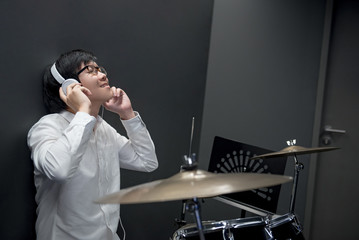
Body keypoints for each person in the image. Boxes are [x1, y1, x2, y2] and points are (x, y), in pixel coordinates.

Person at [27, 49, 158, 240]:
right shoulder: (47, 127)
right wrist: (83, 111)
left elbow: (147, 162)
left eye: (100, 69)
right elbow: (59, 170)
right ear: (70, 86)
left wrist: (127, 115)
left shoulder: (103, 129)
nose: (103, 75)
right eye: (91, 70)